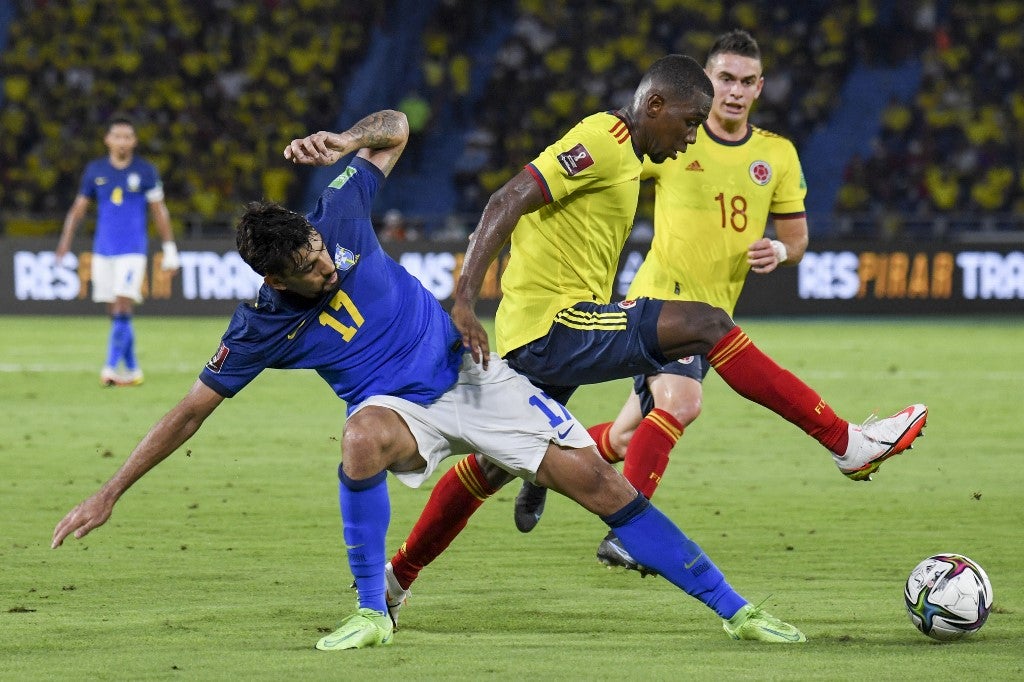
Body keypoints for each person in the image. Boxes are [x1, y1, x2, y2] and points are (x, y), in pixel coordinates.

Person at [50, 109, 808, 651]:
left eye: (320, 251)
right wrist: (111, 491)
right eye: (308, 270)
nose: (325, 266)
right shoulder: (259, 326)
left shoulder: (340, 209)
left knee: (603, 489)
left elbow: (399, 126)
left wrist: (349, 139)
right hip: (399, 412)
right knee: (359, 436)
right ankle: (372, 608)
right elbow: (190, 412)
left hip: (472, 376)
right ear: (274, 277)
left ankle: (737, 611)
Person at [381, 54, 926, 619]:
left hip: (551, 330)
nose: (692, 139)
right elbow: (507, 200)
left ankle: (394, 581)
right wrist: (465, 300)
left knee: (487, 466)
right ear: (655, 106)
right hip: (553, 325)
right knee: (707, 325)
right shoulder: (602, 138)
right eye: (689, 123)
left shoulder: (634, 156)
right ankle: (846, 445)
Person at [536, 29, 819, 568]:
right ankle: (628, 533)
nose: (734, 91)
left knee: (621, 438)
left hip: (714, 315)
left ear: (761, 88)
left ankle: (539, 467)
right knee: (682, 403)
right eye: (724, 79)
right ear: (707, 82)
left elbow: (799, 238)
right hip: (661, 301)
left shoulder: (777, 155)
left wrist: (780, 252)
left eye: (746, 81)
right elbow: (610, 169)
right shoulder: (677, 136)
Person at [55, 115, 180, 387]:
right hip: (103, 250)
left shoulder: (146, 171)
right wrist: (65, 242)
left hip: (133, 250)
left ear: (134, 141)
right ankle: (133, 369)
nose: (122, 141)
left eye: (127, 137)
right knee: (116, 311)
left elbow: (159, 212)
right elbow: (78, 210)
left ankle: (110, 367)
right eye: (117, 136)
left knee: (123, 302)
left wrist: (170, 248)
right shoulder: (95, 170)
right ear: (108, 140)